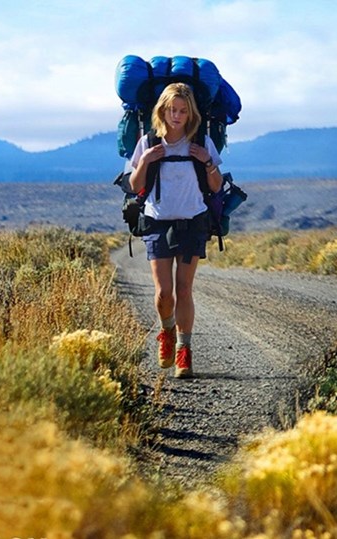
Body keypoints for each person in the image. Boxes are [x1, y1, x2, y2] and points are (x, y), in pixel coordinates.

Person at [128, 82, 223, 379]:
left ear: (191, 112)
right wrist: (144, 161)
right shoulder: (148, 142)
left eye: (183, 110)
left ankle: (184, 351)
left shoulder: (202, 142)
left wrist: (206, 162)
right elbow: (134, 185)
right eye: (173, 110)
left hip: (193, 221)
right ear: (163, 110)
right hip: (157, 222)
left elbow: (216, 186)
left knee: (184, 288)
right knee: (163, 292)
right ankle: (166, 330)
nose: (177, 116)